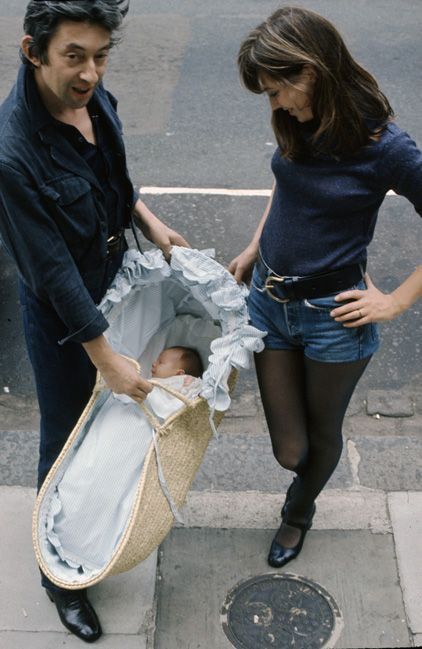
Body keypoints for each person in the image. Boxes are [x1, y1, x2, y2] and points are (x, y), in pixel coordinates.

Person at [0, 0, 188, 642]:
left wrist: (152, 224)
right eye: (73, 57)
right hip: (64, 318)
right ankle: (62, 577)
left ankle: (106, 518)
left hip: (117, 284)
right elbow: (49, 271)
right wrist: (104, 357)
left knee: (112, 426)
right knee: (66, 437)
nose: (89, 74)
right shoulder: (12, 155)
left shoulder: (95, 99)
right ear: (33, 52)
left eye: (100, 57)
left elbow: (113, 178)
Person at [229, 7, 421, 570]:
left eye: (276, 90)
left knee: (320, 434)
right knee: (289, 449)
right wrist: (254, 246)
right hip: (268, 301)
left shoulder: (386, 147)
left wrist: (396, 300)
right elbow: (286, 184)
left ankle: (299, 513)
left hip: (332, 317)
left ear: (310, 71)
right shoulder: (299, 124)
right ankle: (301, 485)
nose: (274, 105)